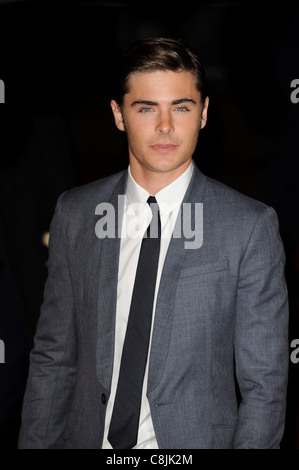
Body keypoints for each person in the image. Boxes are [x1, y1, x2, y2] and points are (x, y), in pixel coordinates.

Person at [18, 37, 289, 449]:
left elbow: (264, 384)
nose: (165, 126)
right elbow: (53, 359)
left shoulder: (249, 226)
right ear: (118, 114)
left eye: (181, 107)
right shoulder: (75, 213)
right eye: (146, 108)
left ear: (203, 114)